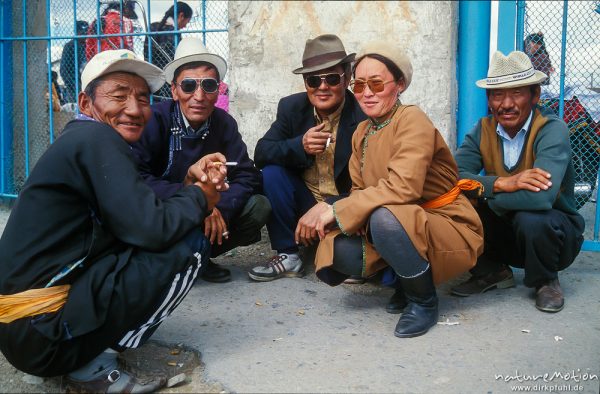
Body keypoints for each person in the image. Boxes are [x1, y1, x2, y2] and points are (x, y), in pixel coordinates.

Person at [0, 49, 229, 392]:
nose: (135, 110)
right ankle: (95, 365)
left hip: (22, 332)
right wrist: (201, 198)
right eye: (118, 96)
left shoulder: (80, 138)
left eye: (142, 98)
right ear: (85, 101)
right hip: (42, 336)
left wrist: (187, 188)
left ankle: (82, 346)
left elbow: (131, 213)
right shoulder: (98, 138)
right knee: (191, 243)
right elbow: (151, 228)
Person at [311, 42, 484, 338]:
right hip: (404, 219)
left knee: (383, 218)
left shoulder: (412, 119)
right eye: (359, 84)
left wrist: (335, 208)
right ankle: (405, 283)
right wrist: (338, 211)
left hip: (444, 221)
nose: (367, 93)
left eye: (377, 83)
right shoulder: (362, 132)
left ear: (399, 84)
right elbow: (358, 191)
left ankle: (424, 301)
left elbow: (404, 187)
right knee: (339, 246)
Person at [451, 50, 584, 313]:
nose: (506, 104)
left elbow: (541, 197)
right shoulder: (483, 129)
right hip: (510, 232)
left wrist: (482, 192)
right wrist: (502, 183)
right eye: (498, 94)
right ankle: (493, 271)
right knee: (454, 205)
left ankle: (546, 280)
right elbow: (452, 178)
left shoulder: (551, 128)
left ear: (535, 96)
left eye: (517, 93)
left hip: (554, 235)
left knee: (531, 216)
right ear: (489, 99)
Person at [133, 37, 270, 284]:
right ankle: (168, 258)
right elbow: (136, 179)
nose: (199, 95)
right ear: (174, 91)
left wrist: (219, 206)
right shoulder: (153, 120)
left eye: (208, 85)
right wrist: (199, 202)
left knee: (258, 206)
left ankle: (199, 256)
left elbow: (248, 175)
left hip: (208, 211)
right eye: (188, 86)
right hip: (165, 211)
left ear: (218, 90)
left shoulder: (224, 123)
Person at [249, 34, 367, 282]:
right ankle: (288, 254)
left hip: (344, 206)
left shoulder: (363, 115)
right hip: (305, 204)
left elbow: (370, 184)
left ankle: (346, 250)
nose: (322, 87)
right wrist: (299, 146)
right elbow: (262, 153)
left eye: (332, 78)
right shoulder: (291, 108)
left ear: (346, 77)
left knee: (348, 264)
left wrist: (334, 206)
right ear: (305, 83)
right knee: (271, 172)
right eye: (314, 80)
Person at [143, 1, 193, 100]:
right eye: (187, 21)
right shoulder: (174, 34)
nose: (185, 26)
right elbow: (176, 59)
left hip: (151, 77)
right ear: (181, 16)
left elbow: (146, 53)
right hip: (168, 80)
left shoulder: (152, 27)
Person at [60, 20, 89, 103]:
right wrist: (72, 84)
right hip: (74, 83)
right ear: (77, 32)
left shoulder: (88, 45)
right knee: (76, 106)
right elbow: (64, 70)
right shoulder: (70, 46)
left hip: (86, 82)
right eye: (82, 32)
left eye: (86, 32)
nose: (85, 34)